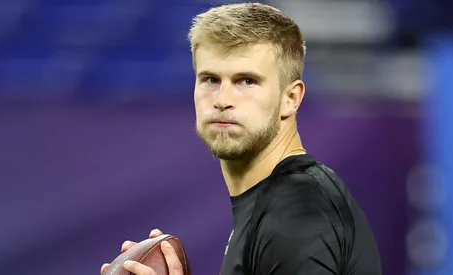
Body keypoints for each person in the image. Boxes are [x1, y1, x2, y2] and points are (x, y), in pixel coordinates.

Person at [101, 2, 382, 275]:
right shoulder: (272, 201)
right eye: (210, 79)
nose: (222, 100)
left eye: (247, 81)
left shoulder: (298, 206)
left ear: (291, 98)